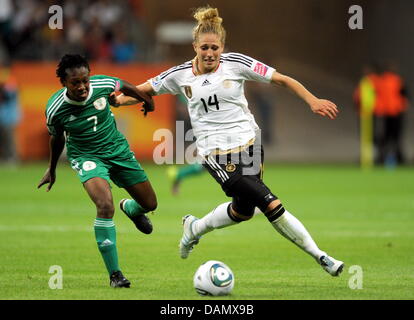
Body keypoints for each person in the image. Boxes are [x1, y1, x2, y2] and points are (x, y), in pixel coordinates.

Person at [112, 6, 343, 276]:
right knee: (269, 202)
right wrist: (115, 100)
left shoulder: (237, 63)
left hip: (250, 145)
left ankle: (194, 228)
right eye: (204, 48)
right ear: (194, 46)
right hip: (215, 153)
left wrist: (312, 100)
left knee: (243, 211)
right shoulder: (179, 75)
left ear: (222, 47)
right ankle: (321, 256)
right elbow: (140, 91)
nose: (210, 53)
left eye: (215, 48)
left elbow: (280, 79)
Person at [37, 54, 157, 288]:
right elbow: (56, 138)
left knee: (150, 204)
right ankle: (115, 275)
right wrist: (51, 169)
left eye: (85, 80)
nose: (82, 87)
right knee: (104, 206)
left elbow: (124, 85)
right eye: (75, 83)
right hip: (86, 157)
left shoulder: (102, 84)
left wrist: (147, 100)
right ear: (64, 83)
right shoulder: (55, 109)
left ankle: (131, 209)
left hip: (117, 150)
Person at [0, 67, 20, 164]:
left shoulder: (10, 86)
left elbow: (9, 96)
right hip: (4, 118)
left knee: (10, 139)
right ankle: (6, 157)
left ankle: (12, 158)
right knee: (4, 139)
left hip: (9, 117)